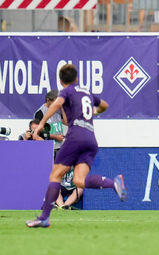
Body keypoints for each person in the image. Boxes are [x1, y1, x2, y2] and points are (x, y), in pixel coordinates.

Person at [26, 64, 127, 228]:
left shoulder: (67, 91)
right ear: (77, 78)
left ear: (61, 81)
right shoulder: (86, 91)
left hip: (75, 137)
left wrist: (41, 123)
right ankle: (112, 182)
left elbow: (56, 104)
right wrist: (94, 113)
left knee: (55, 176)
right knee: (79, 181)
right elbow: (105, 106)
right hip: (91, 140)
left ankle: (44, 218)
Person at [34, 89, 67, 158]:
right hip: (49, 148)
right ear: (48, 100)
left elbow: (66, 122)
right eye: (55, 102)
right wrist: (55, 137)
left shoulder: (58, 110)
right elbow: (38, 132)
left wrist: (62, 108)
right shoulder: (40, 113)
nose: (56, 105)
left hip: (60, 147)